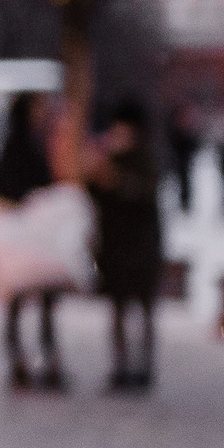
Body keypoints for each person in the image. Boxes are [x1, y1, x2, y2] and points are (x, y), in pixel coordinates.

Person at [0, 92, 70, 391]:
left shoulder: (16, 144)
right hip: (29, 239)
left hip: (22, 240)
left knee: (21, 302)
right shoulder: (26, 145)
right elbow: (38, 186)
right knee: (35, 302)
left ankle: (23, 360)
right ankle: (40, 359)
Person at [87, 99, 164, 391]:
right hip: (116, 248)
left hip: (141, 248)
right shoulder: (108, 158)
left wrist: (115, 181)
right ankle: (121, 366)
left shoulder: (145, 158)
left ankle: (143, 367)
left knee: (143, 311)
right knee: (119, 310)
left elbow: (144, 192)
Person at [165, 103, 203, 216]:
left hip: (186, 163)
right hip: (178, 161)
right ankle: (181, 203)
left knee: (185, 183)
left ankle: (185, 203)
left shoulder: (188, 133)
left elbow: (193, 146)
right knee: (177, 183)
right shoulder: (176, 132)